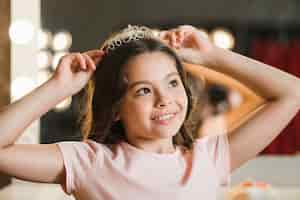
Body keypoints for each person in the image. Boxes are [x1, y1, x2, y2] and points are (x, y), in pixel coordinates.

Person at [0, 24, 299, 200]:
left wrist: (214, 57)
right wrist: (57, 88)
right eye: (143, 90)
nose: (164, 99)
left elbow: (292, 93)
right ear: (115, 108)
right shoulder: (89, 162)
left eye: (171, 83)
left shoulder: (211, 159)